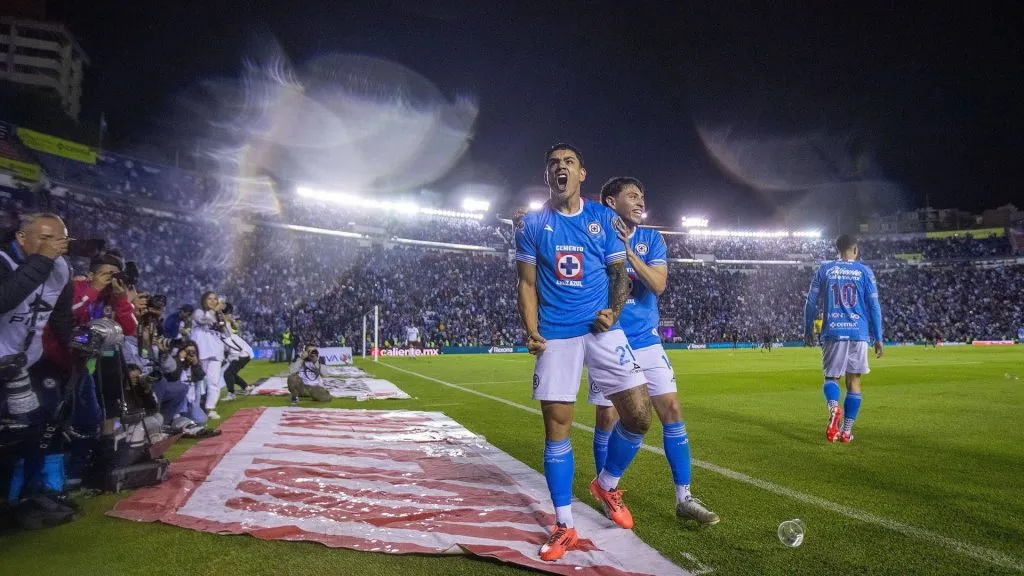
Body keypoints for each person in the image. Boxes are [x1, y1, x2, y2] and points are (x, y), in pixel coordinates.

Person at [515, 144, 649, 562]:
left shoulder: (602, 219)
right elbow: (526, 285)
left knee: (640, 417)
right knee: (558, 427)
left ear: (582, 173)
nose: (561, 167)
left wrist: (614, 311)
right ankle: (564, 524)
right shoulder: (533, 225)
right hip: (556, 334)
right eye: (553, 164)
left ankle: (606, 484)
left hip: (602, 330)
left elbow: (619, 275)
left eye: (568, 162)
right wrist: (532, 331)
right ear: (547, 177)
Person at [589, 177, 718, 526]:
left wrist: (628, 251)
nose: (640, 200)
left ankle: (684, 497)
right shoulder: (594, 234)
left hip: (646, 340)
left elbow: (658, 285)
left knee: (672, 409)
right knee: (608, 417)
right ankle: (608, 492)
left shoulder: (650, 239)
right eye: (631, 195)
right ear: (610, 201)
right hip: (609, 340)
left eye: (642, 195)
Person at [0, 212, 75, 528]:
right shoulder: (4, 261)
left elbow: (59, 318)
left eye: (57, 240)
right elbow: (4, 299)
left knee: (36, 429)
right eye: (44, 238)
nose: (52, 246)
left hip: (27, 364)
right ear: (21, 238)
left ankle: (27, 497)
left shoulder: (62, 269)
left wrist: (73, 350)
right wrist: (42, 260)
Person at [804, 234, 884, 443]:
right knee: (854, 381)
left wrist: (808, 329)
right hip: (858, 332)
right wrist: (878, 337)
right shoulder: (865, 271)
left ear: (837, 249)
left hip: (833, 331)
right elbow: (874, 307)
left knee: (831, 378)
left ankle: (833, 408)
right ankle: (846, 432)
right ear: (855, 249)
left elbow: (811, 302)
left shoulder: (825, 269)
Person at [191, 292, 228, 419]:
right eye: (209, 299)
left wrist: (222, 319)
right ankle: (194, 406)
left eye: (215, 299)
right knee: (197, 381)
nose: (212, 301)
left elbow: (226, 334)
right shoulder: (198, 312)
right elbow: (203, 321)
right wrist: (214, 312)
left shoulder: (219, 315)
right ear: (204, 300)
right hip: (201, 351)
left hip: (216, 352)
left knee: (214, 382)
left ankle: (210, 407)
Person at [220, 303, 252, 401]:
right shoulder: (227, 323)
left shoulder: (225, 323)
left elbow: (228, 322)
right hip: (242, 352)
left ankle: (231, 394)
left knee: (227, 373)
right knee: (231, 373)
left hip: (240, 353)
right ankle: (246, 387)